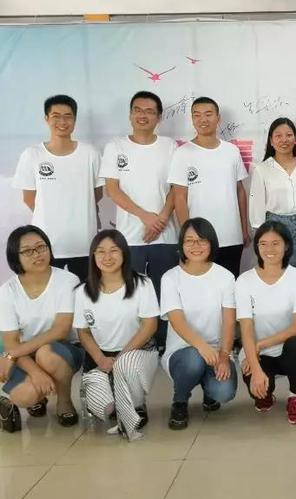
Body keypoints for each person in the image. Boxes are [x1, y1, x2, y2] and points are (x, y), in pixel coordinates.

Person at [74, 230, 160, 440]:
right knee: (102, 408)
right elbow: (83, 332)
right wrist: (101, 359)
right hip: (101, 356)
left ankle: (136, 405)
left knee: (126, 366)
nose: (107, 257)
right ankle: (117, 402)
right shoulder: (83, 291)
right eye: (100, 251)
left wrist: (120, 357)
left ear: (124, 253)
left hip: (136, 352)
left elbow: (149, 326)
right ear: (93, 256)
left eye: (114, 250)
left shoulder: (142, 284)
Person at [12, 95, 103, 282]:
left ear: (75, 120)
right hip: (45, 246)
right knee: (49, 294)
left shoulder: (90, 153)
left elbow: (97, 194)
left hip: (84, 244)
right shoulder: (32, 155)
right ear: (46, 119)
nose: (62, 121)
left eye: (68, 116)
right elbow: (29, 198)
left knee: (85, 294)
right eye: (56, 116)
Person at [0, 226, 82, 432]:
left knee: (47, 354)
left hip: (61, 348)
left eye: (41, 247)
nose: (37, 254)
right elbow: (10, 343)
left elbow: (61, 330)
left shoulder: (67, 280)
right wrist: (35, 372)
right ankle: (36, 398)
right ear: (15, 256)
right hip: (22, 355)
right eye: (28, 251)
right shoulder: (7, 291)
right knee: (25, 396)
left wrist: (12, 354)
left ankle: (64, 401)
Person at [160, 218, 238, 430]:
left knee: (224, 392)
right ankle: (180, 401)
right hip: (182, 351)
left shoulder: (225, 277)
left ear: (211, 243)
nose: (196, 246)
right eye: (189, 240)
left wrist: (224, 356)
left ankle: (209, 389)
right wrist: (202, 347)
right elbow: (177, 321)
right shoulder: (170, 278)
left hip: (216, 351)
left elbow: (229, 321)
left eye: (202, 240)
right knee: (194, 360)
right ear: (181, 244)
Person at [101, 91, 178, 298]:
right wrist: (145, 216)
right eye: (138, 110)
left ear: (159, 117)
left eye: (149, 111)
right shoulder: (115, 147)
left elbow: (177, 188)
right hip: (130, 238)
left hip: (165, 236)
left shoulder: (169, 146)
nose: (143, 115)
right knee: (132, 297)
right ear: (130, 115)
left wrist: (160, 220)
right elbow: (112, 190)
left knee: (165, 297)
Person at [237, 221, 296, 425]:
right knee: (260, 395)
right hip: (258, 353)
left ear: (286, 246)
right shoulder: (244, 281)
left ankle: (295, 397)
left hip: (287, 349)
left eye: (276, 243)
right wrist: (255, 367)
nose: (269, 249)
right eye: (263, 244)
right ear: (257, 247)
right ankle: (266, 393)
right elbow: (246, 328)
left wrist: (260, 345)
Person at [168, 97, 249, 277]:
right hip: (199, 239)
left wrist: (244, 228)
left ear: (218, 118)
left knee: (230, 285)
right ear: (192, 119)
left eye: (208, 114)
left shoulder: (231, 151)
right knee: (200, 286)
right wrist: (187, 235)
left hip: (231, 236)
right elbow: (179, 197)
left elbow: (240, 191)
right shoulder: (182, 153)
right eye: (197, 115)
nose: (202, 119)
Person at [248, 117, 296, 277]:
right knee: (276, 274)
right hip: (274, 227)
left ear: (295, 139)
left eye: (289, 135)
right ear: (271, 141)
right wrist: (261, 237)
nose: (284, 140)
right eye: (278, 136)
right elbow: (257, 207)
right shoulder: (262, 170)